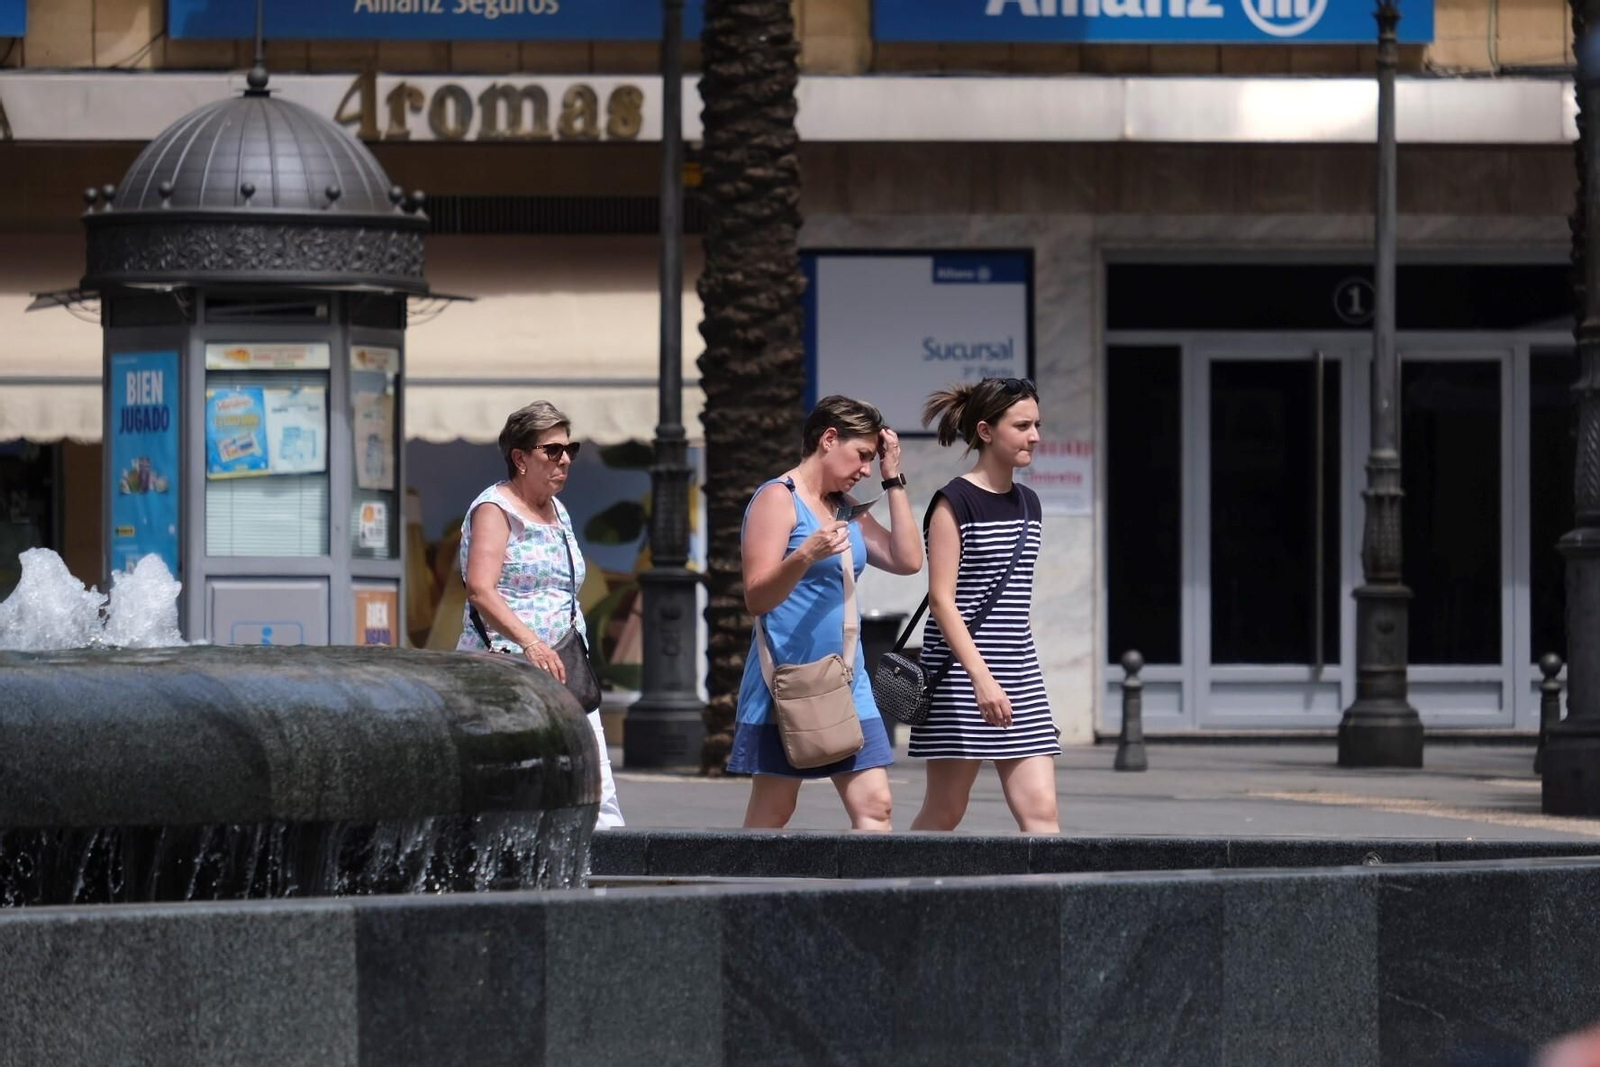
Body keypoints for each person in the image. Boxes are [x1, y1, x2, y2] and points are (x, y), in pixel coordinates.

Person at [730, 395, 924, 830]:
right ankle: (742, 895)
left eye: (874, 460)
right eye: (862, 455)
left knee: (877, 806)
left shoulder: (845, 508)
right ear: (829, 439)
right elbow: (757, 598)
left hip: (846, 681)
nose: (866, 469)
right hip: (788, 683)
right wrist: (803, 555)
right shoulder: (777, 499)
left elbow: (908, 559)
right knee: (773, 812)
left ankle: (867, 900)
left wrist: (894, 481)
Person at [458, 401, 624, 829]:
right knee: (511, 792)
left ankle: (605, 890)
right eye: (552, 450)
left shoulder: (557, 511)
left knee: (597, 789)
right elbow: (480, 588)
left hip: (565, 667)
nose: (565, 459)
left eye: (570, 449)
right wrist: (531, 641)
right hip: (508, 669)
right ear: (520, 457)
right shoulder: (495, 510)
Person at [909, 377, 1061, 833]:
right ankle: (893, 900)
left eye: (1036, 424)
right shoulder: (953, 503)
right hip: (962, 675)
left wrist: (1019, 672)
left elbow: (1016, 600)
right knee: (945, 811)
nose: (1034, 435)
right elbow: (942, 601)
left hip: (1019, 673)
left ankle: (1049, 905)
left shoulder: (1029, 504)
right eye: (1022, 425)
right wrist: (982, 679)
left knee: (1041, 813)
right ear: (987, 430)